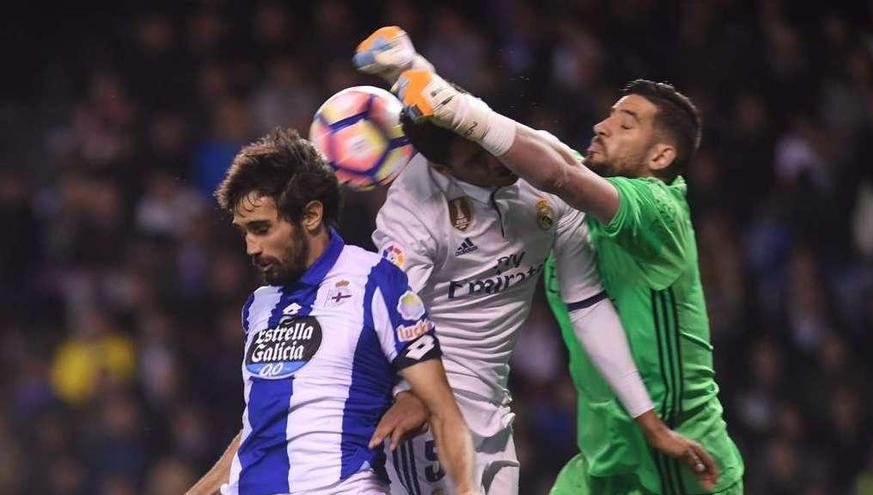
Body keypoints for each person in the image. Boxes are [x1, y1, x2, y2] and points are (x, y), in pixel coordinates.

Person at [354, 27, 718, 495]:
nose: (496, 160)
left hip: (494, 408)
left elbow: (585, 304)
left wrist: (647, 420)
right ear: (444, 169)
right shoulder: (411, 208)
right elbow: (391, 316)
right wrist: (408, 393)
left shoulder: (533, 165)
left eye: (488, 139)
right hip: (430, 405)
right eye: (475, 157)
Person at [185, 128, 479, 495]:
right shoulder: (259, 306)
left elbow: (442, 408)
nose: (251, 247)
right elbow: (262, 429)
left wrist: (465, 487)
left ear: (310, 215)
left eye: (261, 229)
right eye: (244, 232)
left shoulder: (376, 282)